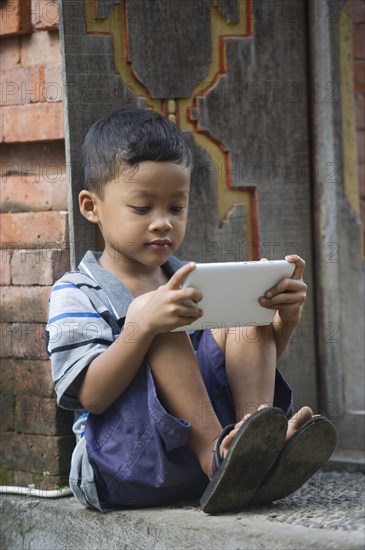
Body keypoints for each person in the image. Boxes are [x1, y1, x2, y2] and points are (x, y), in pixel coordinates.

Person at [46, 108, 337, 514]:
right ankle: (219, 455)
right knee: (158, 316)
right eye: (143, 209)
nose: (162, 223)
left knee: (243, 314)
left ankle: (251, 448)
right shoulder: (77, 292)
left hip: (189, 457)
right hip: (119, 463)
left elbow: (227, 373)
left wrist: (280, 322)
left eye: (176, 208)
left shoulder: (194, 282)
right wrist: (141, 327)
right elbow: (90, 398)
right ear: (91, 207)